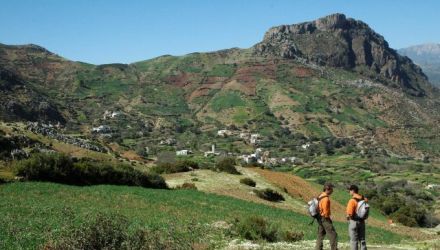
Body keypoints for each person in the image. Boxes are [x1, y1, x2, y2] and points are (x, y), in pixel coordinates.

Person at [316, 183, 338, 250]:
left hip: (319, 218)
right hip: (325, 219)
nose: (333, 191)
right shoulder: (326, 199)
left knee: (320, 235)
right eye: (332, 189)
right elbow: (325, 212)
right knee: (333, 235)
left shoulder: (320, 195)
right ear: (328, 189)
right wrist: (329, 218)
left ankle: (318, 248)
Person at [346, 184, 367, 250]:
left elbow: (349, 213)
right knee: (362, 240)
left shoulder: (352, 201)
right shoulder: (364, 199)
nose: (349, 191)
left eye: (350, 190)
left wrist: (348, 217)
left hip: (354, 222)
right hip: (362, 221)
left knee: (354, 241)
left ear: (353, 191)